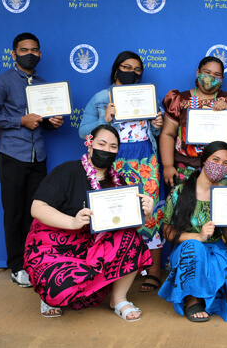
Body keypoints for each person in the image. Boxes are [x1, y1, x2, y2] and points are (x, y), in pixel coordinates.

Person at [24, 125, 154, 320]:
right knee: (58, 288)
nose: (106, 150)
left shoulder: (118, 181)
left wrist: (146, 213)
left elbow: (128, 226)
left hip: (94, 247)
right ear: (89, 144)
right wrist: (73, 221)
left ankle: (118, 300)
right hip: (55, 247)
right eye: (101, 144)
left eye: (112, 146)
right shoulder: (67, 171)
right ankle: (47, 297)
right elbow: (37, 208)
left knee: (132, 239)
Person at [0, 32, 64, 287]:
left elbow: (43, 123)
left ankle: (34, 262)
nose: (30, 54)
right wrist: (19, 120)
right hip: (12, 156)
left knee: (36, 212)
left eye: (35, 50)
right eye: (24, 50)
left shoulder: (44, 84)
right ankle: (17, 265)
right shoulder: (2, 82)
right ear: (14, 54)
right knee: (14, 212)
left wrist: (53, 123)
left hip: (38, 156)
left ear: (40, 54)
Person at [78, 51, 165, 293]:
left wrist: (157, 126)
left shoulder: (148, 96)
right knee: (112, 211)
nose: (132, 72)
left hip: (145, 159)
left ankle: (154, 271)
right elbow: (83, 132)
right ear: (116, 69)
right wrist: (103, 119)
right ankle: (112, 268)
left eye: (137, 69)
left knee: (150, 211)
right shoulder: (99, 98)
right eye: (127, 67)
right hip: (113, 160)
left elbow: (156, 132)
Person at [158, 141, 227, 322]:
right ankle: (191, 299)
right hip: (187, 250)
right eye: (215, 160)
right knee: (195, 247)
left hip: (215, 248)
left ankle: (204, 293)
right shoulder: (180, 191)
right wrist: (198, 236)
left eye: (225, 164)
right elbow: (167, 231)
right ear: (204, 160)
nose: (219, 166)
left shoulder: (225, 195)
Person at [160, 56, 227, 187]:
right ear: (198, 73)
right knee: (188, 205)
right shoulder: (179, 100)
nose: (211, 77)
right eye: (207, 73)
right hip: (188, 166)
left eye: (217, 75)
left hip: (226, 170)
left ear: (222, 79)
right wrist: (167, 166)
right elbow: (167, 134)